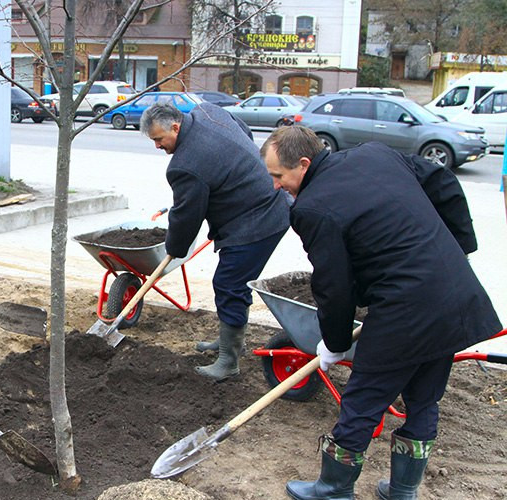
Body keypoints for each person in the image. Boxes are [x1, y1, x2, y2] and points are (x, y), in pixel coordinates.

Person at [260, 126, 502, 500]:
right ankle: (403, 490)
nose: (277, 186)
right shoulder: (375, 153)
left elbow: (334, 286)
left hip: (407, 309)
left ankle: (334, 487)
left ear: (303, 164)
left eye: (279, 176)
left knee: (363, 400)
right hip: (454, 293)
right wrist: (458, 248)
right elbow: (443, 183)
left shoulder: (312, 209)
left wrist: (335, 343)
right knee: (423, 398)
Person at [140, 102, 289, 381]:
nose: (157, 146)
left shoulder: (185, 166)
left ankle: (228, 362)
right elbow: (245, 133)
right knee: (232, 281)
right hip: (268, 205)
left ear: (176, 126)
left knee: (229, 283)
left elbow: (186, 217)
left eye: (159, 139)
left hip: (257, 222)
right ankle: (228, 341)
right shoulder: (209, 111)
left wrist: (174, 250)